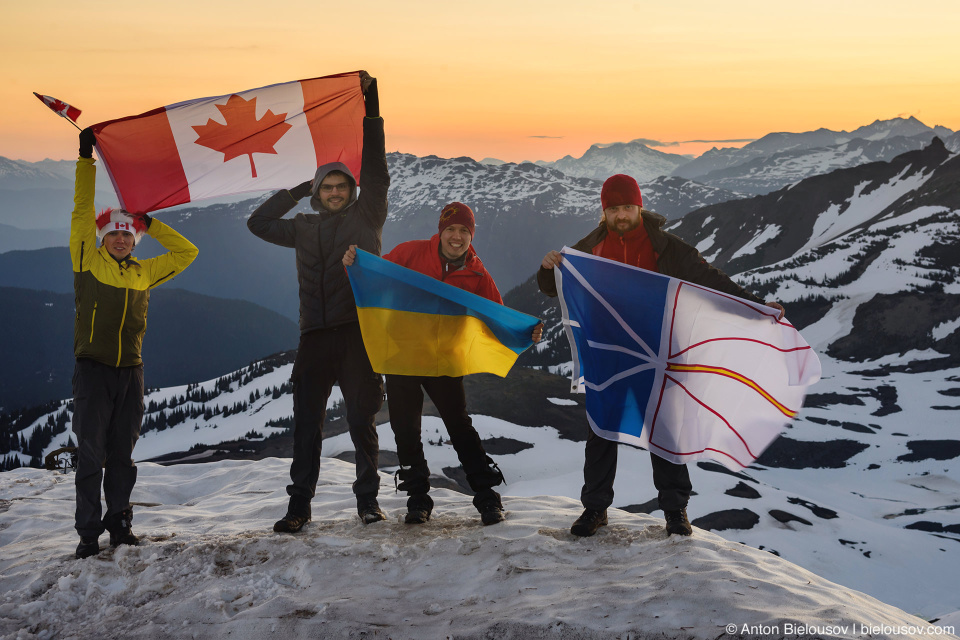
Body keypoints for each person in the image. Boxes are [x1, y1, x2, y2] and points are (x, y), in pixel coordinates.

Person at [538, 174, 784, 538]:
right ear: (603, 212)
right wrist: (547, 269)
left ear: (639, 207)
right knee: (601, 431)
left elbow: (709, 278)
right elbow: (553, 286)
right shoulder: (587, 248)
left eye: (627, 207)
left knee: (665, 430)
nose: (621, 215)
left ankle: (675, 511)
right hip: (610, 353)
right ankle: (595, 509)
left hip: (657, 353)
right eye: (613, 209)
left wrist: (755, 307)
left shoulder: (666, 247)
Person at [248, 71, 390, 531]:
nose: (334, 193)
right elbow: (258, 222)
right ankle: (299, 507)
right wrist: (293, 190)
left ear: (351, 192)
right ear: (317, 193)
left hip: (356, 334)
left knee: (361, 420)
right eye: (326, 188)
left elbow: (376, 169)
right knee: (306, 424)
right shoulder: (301, 227)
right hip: (313, 336)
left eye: (340, 187)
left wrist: (371, 109)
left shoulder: (368, 217)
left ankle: (368, 502)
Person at [343, 202, 543, 525]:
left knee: (459, 426)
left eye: (465, 231)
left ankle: (487, 498)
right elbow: (375, 276)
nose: (457, 236)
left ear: (471, 236)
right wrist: (353, 263)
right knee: (405, 429)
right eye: (451, 229)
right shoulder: (411, 253)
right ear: (440, 230)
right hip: (404, 355)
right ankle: (418, 499)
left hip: (444, 361)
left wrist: (525, 332)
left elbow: (497, 317)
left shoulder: (478, 274)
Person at [71, 127, 199, 559]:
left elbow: (187, 253)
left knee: (122, 456)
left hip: (132, 370)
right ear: (102, 239)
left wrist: (151, 221)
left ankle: (120, 525)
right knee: (90, 455)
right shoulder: (87, 261)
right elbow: (81, 211)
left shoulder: (145, 272)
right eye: (115, 234)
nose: (122, 239)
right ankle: (88, 534)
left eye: (128, 234)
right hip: (93, 368)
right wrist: (86, 158)